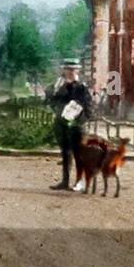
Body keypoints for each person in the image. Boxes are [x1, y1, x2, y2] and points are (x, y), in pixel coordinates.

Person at [48, 59, 92, 190]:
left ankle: (80, 182)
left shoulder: (82, 87)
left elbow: (89, 107)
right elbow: (51, 102)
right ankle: (65, 181)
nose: (70, 72)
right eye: (68, 69)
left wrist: (79, 120)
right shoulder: (59, 86)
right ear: (64, 70)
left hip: (76, 126)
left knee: (79, 154)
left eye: (73, 69)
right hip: (61, 124)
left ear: (78, 70)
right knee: (65, 153)